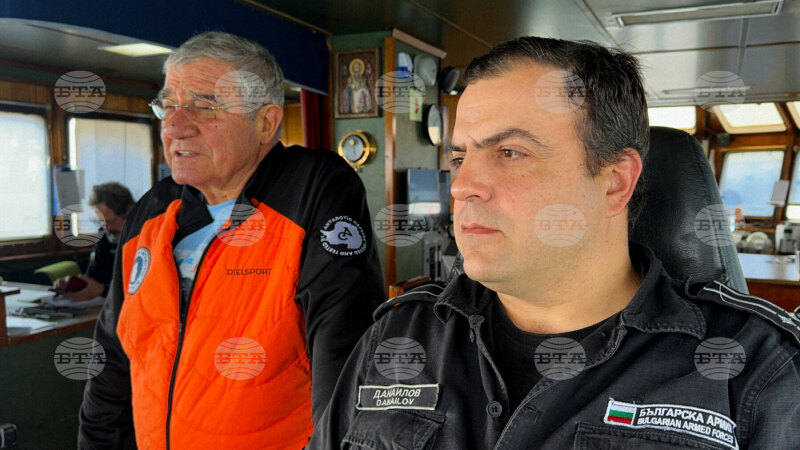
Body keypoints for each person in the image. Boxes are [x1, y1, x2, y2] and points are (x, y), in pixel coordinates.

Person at [309, 37, 800, 448]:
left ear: (614, 181)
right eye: (459, 158)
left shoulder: (758, 371)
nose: (462, 186)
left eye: (509, 152)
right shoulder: (396, 337)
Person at [78, 32, 385, 449]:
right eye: (168, 105)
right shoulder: (150, 212)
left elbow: (344, 358)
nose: (174, 126)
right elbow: (112, 361)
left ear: (265, 123)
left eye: (204, 106)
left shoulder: (312, 189)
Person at [53, 182, 134, 301]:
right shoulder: (104, 237)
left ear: (130, 212)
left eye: (111, 222)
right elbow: (93, 277)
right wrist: (74, 284)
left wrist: (103, 290)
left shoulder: (148, 236)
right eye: (101, 222)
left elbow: (145, 287)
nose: (107, 229)